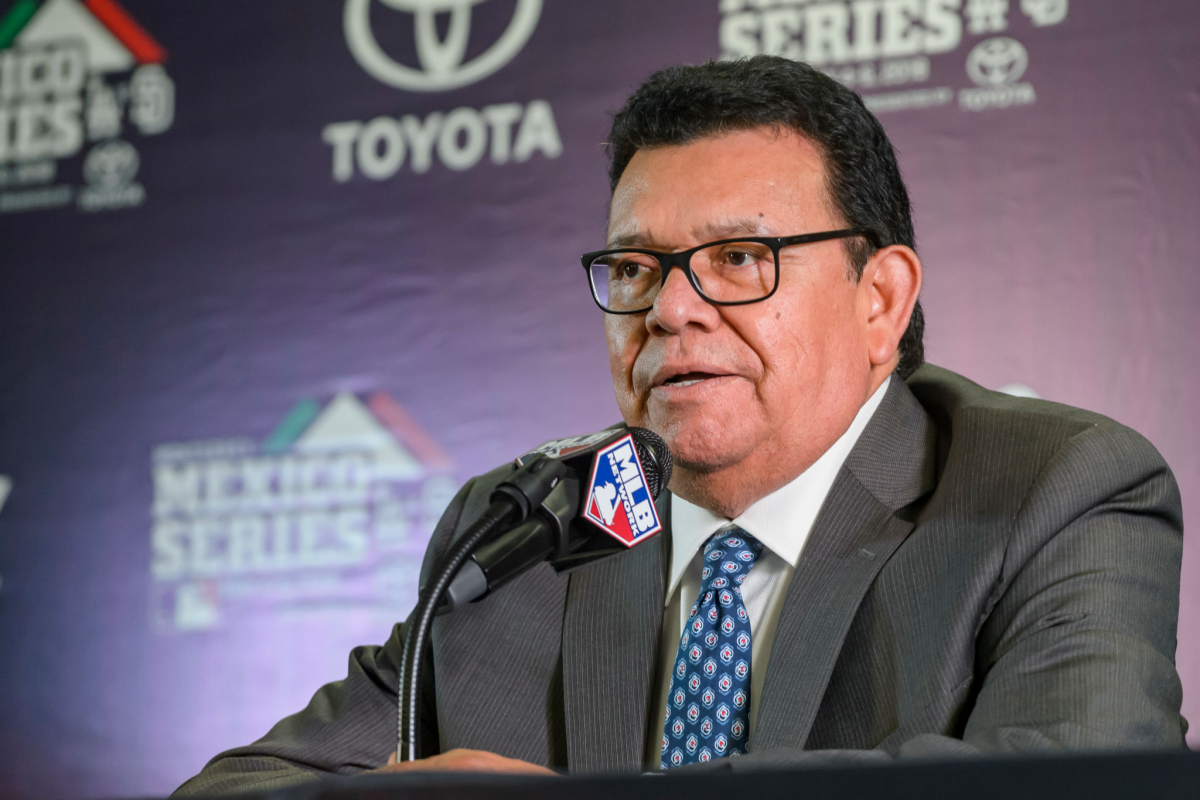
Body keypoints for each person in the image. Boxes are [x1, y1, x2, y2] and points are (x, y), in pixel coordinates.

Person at [175, 55, 1185, 794]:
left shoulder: (1053, 489)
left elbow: (1083, 778)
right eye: (633, 266)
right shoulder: (530, 526)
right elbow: (241, 784)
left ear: (879, 299)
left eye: (740, 257)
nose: (670, 307)